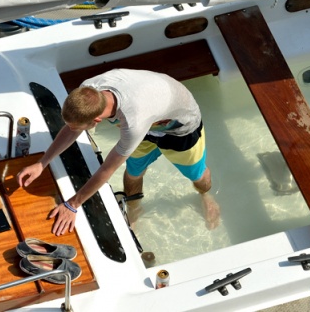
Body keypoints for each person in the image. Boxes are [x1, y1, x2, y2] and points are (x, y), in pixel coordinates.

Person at [17, 69, 220, 235]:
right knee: (133, 173)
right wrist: (42, 163)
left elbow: (107, 169)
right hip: (150, 121)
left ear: (97, 121)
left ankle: (206, 195)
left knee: (197, 175)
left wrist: (73, 204)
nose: (71, 130)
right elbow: (73, 128)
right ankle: (134, 207)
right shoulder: (89, 90)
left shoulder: (133, 122)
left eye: (77, 127)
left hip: (180, 129)